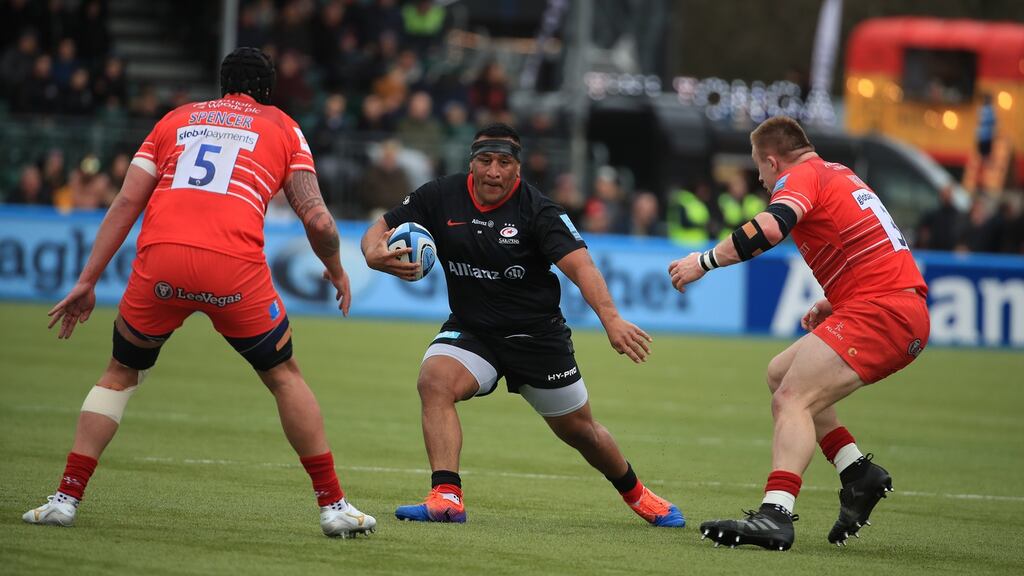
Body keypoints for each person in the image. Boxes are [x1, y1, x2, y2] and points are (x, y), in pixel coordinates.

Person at [22, 47, 376, 539]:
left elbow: (127, 200)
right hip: (232, 266)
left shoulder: (176, 120)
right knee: (283, 376)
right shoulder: (282, 127)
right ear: (268, 89)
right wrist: (336, 269)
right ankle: (334, 506)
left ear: (223, 84)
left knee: (121, 372)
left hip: (162, 260)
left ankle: (64, 498)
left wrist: (87, 280)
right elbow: (317, 219)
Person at [360, 123, 686, 528]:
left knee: (580, 431)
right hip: (474, 332)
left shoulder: (539, 211)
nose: (493, 171)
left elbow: (581, 267)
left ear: (518, 167)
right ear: (471, 163)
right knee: (434, 381)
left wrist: (612, 319)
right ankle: (447, 496)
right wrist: (372, 254)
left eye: (504, 162)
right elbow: (379, 228)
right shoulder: (440, 195)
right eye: (485, 161)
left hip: (536, 338)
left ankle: (638, 494)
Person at [669, 116, 929, 551]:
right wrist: (840, 297)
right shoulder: (839, 172)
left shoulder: (800, 175)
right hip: (886, 302)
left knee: (792, 398)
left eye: (759, 167)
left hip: (883, 311)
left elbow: (770, 228)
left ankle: (776, 514)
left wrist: (705, 262)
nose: (759, 177)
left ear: (773, 160)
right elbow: (872, 240)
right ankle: (856, 472)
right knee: (780, 372)